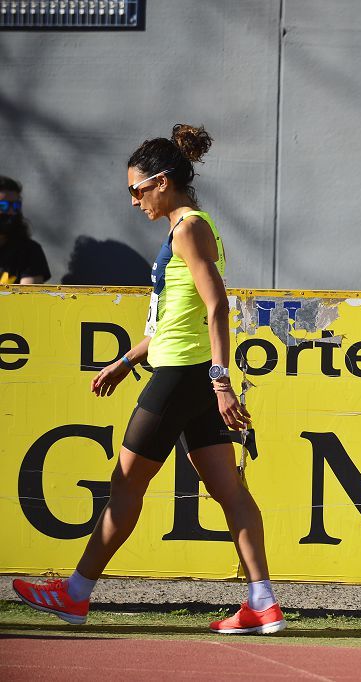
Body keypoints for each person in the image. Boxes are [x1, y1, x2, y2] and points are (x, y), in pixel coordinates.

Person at [12, 125, 286, 635]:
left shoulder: (188, 228)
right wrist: (128, 359)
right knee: (230, 490)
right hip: (189, 371)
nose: (133, 200)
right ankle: (263, 603)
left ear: (162, 182)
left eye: (136, 189)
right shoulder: (185, 228)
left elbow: (217, 304)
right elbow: (174, 318)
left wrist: (222, 381)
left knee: (126, 484)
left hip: (186, 376)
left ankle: (74, 593)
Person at [0, 175, 51, 284]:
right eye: (2, 206)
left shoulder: (29, 251)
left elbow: (29, 298)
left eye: (16, 206)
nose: (11, 212)